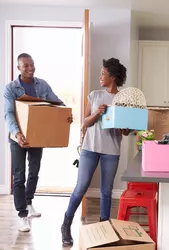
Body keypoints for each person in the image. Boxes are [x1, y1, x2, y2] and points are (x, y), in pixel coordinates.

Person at [61, 58, 130, 246]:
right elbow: (85, 122)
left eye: (103, 73)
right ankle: (66, 223)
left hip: (111, 151)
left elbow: (125, 131)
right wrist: (97, 113)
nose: (100, 76)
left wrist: (124, 126)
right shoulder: (95, 95)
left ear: (113, 77)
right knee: (81, 187)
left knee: (106, 191)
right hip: (90, 148)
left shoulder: (123, 100)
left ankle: (104, 229)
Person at [4, 53, 69, 232]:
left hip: (36, 136)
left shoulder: (42, 85)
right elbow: (8, 113)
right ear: (19, 68)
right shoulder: (11, 88)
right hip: (18, 138)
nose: (30, 68)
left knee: (34, 172)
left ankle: (29, 201)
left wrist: (64, 114)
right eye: (26, 66)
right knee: (19, 176)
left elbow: (56, 102)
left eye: (32, 65)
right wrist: (17, 134)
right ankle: (22, 215)